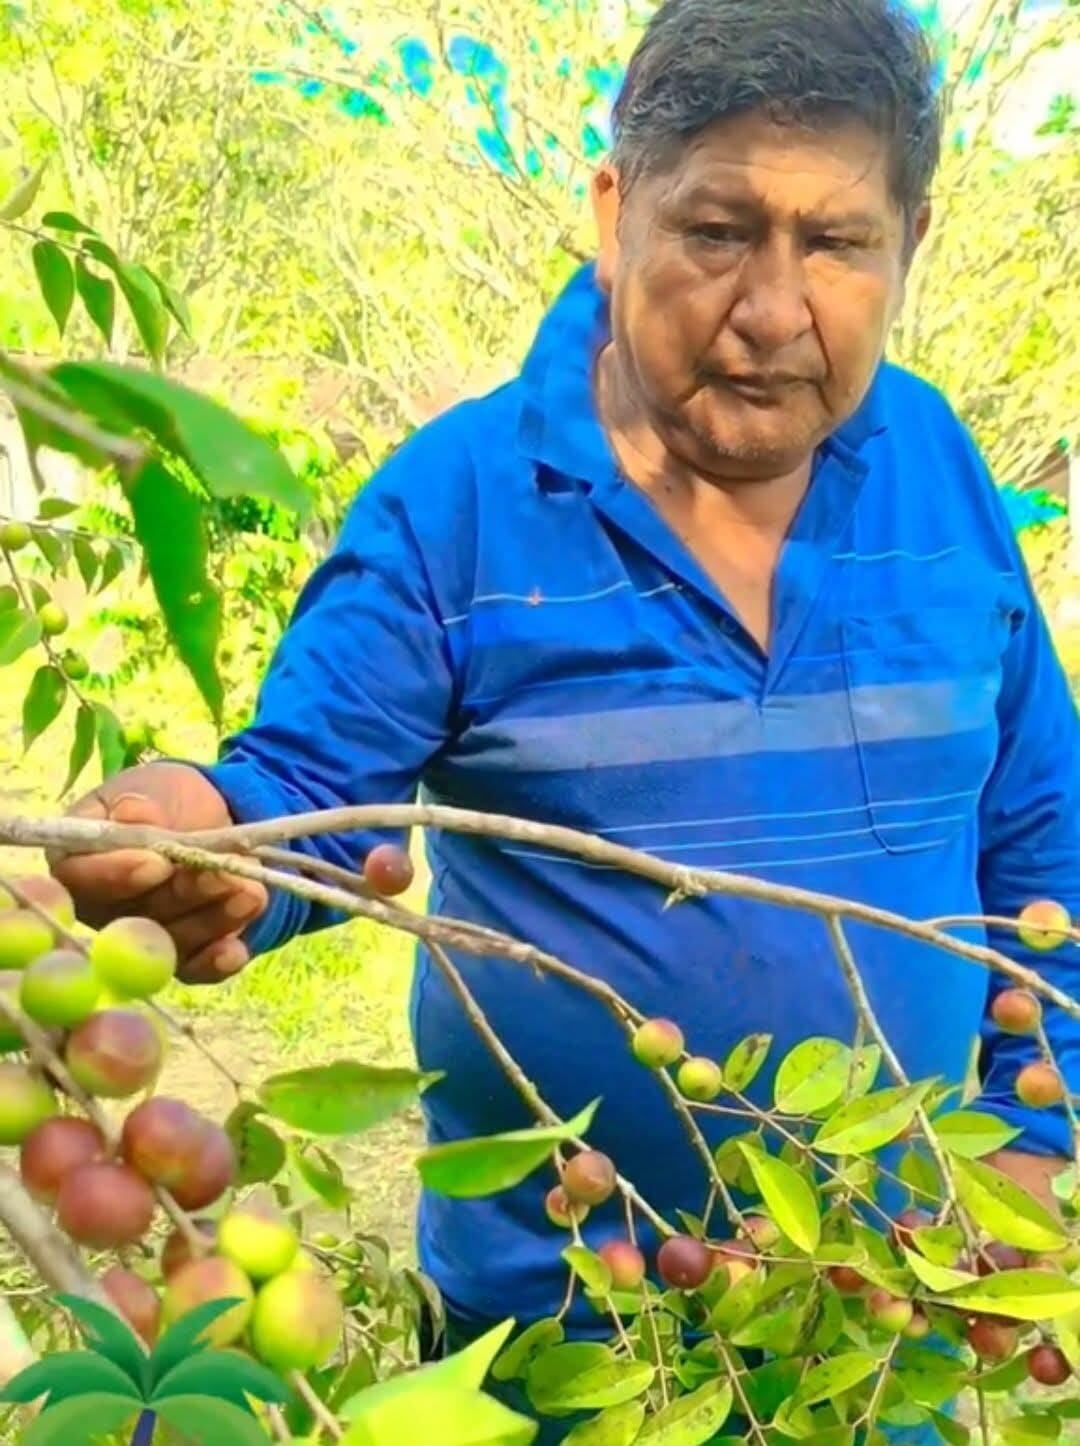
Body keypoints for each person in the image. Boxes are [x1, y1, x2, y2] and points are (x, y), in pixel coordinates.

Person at [52, 1, 1077, 1440]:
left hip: (880, 1342)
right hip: (559, 1361)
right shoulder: (459, 501)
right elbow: (302, 806)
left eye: (838, 243)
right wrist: (198, 839)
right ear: (614, 213)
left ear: (911, 239)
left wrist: (1037, 1139)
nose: (775, 309)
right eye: (718, 230)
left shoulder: (943, 472)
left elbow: (1043, 849)